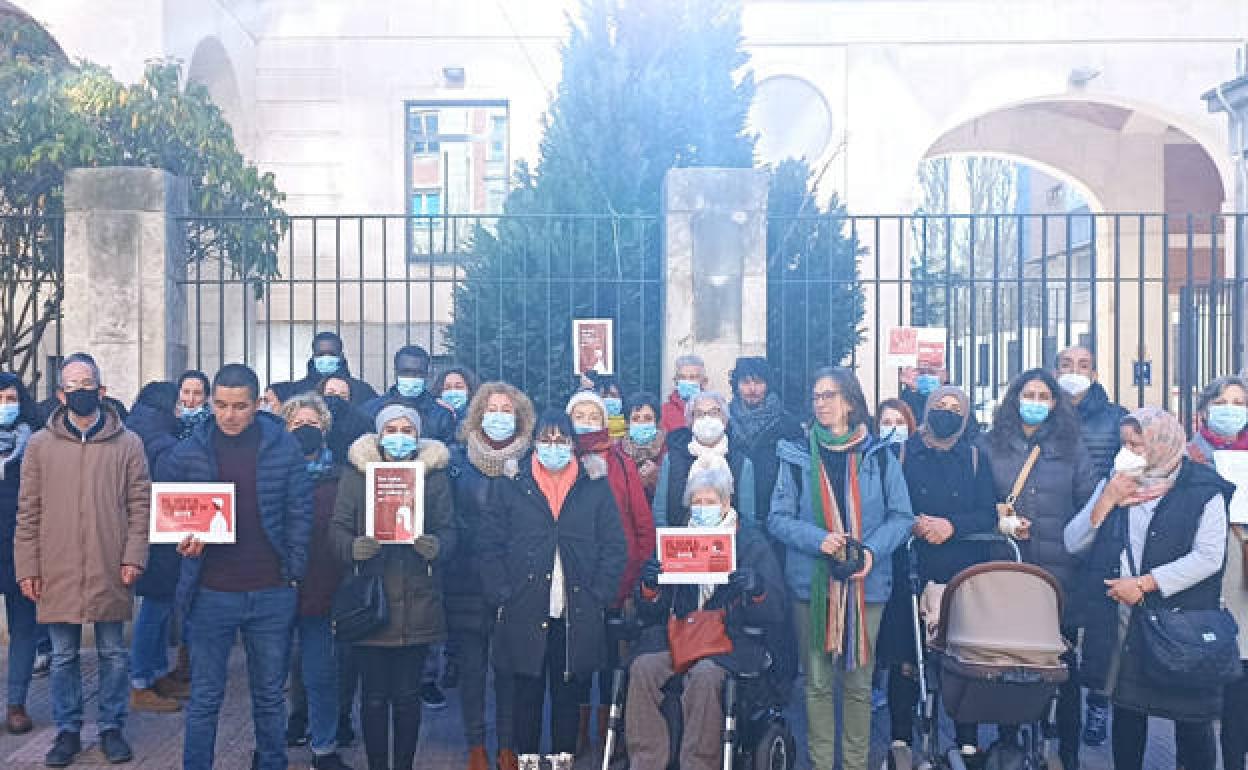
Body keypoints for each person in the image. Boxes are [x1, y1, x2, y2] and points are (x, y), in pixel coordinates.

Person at [157, 363, 313, 770]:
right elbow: (168, 511)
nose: (229, 415)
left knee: (269, 697)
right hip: (212, 593)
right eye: (221, 405)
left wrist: (292, 572)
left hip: (271, 591)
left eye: (240, 406)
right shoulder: (189, 450)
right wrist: (183, 542)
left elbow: (301, 511)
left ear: (257, 403)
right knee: (206, 697)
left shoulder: (284, 446)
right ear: (211, 403)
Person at [1065, 407, 1230, 770]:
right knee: (1128, 713)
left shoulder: (1202, 488)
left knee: (1192, 720)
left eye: (1136, 444)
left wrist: (1145, 584)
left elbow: (1208, 557)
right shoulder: (1116, 482)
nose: (1128, 453)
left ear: (1161, 443)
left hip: (1183, 623)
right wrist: (1106, 499)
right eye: (1123, 444)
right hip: (1125, 622)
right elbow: (1073, 541)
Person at [768, 366, 914, 770]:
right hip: (810, 586)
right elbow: (777, 518)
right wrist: (819, 540)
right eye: (816, 396)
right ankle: (820, 762)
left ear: (850, 401)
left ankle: (853, 764)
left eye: (830, 395)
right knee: (815, 684)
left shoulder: (881, 455)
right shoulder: (795, 455)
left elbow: (902, 517)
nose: (821, 403)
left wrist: (868, 552)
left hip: (867, 585)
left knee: (858, 685)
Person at [15, 354, 151, 766]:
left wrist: (134, 557)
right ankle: (68, 730)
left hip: (111, 563)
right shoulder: (40, 445)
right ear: (60, 394)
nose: (80, 391)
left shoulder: (128, 443)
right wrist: (28, 567)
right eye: (72, 385)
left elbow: (140, 505)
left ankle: (111, 727)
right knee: (62, 655)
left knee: (113, 653)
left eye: (87, 382)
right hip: (56, 566)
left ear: (102, 389)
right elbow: (28, 510)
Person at [479, 409, 627, 758]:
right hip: (524, 606)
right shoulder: (512, 485)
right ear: (534, 443)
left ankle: (564, 759)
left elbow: (614, 545)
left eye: (561, 440)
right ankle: (527, 758)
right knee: (526, 693)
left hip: (575, 607)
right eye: (546, 439)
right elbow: (489, 544)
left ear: (574, 445)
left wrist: (600, 594)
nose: (553, 446)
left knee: (568, 695)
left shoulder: (594, 486)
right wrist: (502, 592)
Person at [976, 368, 1097, 770]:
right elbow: (976, 503)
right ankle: (1009, 744)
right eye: (1029, 393)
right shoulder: (990, 445)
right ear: (1014, 399)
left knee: (1063, 668)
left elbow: (1088, 506)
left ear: (1055, 403)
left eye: (1044, 395)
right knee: (1010, 663)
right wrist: (1000, 519)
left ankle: (1068, 752)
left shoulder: (1072, 447)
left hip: (1059, 575)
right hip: (1008, 568)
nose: (1036, 401)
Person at [627, 465, 785, 770]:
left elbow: (775, 609)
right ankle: (647, 761)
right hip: (681, 634)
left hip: (731, 638)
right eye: (696, 503)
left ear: (726, 503)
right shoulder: (675, 542)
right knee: (642, 668)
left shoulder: (751, 543)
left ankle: (699, 763)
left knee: (706, 675)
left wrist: (756, 589)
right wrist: (649, 587)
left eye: (710, 501)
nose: (702, 509)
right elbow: (652, 609)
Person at [330, 404, 456, 770]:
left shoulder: (433, 476)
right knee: (372, 697)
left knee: (407, 697)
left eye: (407, 430)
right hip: (372, 601)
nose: (399, 436)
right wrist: (352, 548)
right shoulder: (356, 474)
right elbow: (337, 528)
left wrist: (438, 546)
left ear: (418, 437)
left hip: (418, 600)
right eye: (392, 429)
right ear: (380, 433)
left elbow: (451, 530)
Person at [877, 386, 996, 762]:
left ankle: (966, 739)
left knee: (961, 656)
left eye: (953, 407)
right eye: (939, 406)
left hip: (959, 568)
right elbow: (885, 503)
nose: (946, 412)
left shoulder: (975, 457)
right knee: (905, 657)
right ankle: (900, 739)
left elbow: (987, 513)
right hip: (910, 565)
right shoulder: (902, 452)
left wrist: (952, 526)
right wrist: (912, 523)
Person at [445, 382, 534, 770]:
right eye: (492, 408)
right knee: (472, 667)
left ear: (520, 418)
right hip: (465, 578)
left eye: (507, 409)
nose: (499, 416)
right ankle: (476, 745)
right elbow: (447, 516)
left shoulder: (531, 462)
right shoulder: (456, 462)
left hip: (514, 580)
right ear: (479, 413)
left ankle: (507, 745)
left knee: (508, 667)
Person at [565, 390, 655, 754]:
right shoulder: (563, 459)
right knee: (575, 663)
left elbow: (642, 525)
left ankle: (608, 734)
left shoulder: (621, 462)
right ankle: (575, 732)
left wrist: (634, 576)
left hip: (618, 580)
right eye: (579, 414)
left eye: (593, 415)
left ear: (605, 421)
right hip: (571, 582)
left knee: (609, 662)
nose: (586, 421)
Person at [1053, 345, 1127, 746]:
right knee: (1059, 621)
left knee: (1100, 626)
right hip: (1053, 526)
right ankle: (1057, 703)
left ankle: (1099, 702)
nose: (1074, 372)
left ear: (1095, 373)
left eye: (1082, 366)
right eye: (1066, 365)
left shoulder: (1115, 418)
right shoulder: (1046, 413)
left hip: (1102, 529)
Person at [280, 394, 351, 770]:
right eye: (297, 424)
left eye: (313, 424)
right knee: (270, 675)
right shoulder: (272, 471)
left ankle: (324, 748)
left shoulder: (340, 477)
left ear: (324, 429)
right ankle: (270, 743)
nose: (305, 430)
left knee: (321, 673)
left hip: (322, 590)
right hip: (275, 589)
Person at [1185, 376, 1248, 770]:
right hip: (1204, 573)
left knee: (1242, 673)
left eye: (1239, 402)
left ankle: (1235, 757)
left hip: (1243, 573)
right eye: (1223, 401)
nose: (1231, 408)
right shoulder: (1190, 455)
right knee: (1204, 678)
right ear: (1206, 409)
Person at [125, 382, 188, 714]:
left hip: (145, 532)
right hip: (160, 533)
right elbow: (171, 488)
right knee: (156, 607)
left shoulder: (136, 428)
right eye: (178, 403)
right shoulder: (161, 440)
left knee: (158, 606)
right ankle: (141, 681)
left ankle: (154, 673)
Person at [0, 373, 42, 734]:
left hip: (22, 544)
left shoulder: (37, 441)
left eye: (11, 398)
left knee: (23, 628)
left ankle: (16, 703)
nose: (6, 405)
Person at [653, 390, 756, 527]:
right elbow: (660, 512)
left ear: (725, 420)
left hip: (728, 543)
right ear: (690, 422)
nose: (707, 419)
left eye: (714, 413)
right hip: (680, 543)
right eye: (699, 414)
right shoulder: (671, 459)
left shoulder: (742, 463)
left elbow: (747, 518)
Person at [727, 357, 804, 532]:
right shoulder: (725, 422)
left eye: (759, 382)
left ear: (768, 385)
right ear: (736, 386)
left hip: (776, 517)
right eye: (745, 382)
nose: (752, 389)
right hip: (732, 517)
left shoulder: (788, 425)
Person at [362, 345, 457, 445]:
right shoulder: (370, 410)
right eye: (406, 372)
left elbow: (449, 453)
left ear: (427, 375)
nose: (411, 377)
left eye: (418, 373)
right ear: (396, 372)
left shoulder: (442, 415)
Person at [292, 331, 379, 407]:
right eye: (321, 354)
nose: (326, 358)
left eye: (332, 354)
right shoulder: (297, 391)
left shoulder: (362, 390)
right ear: (313, 357)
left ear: (341, 356)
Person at [1187, 374, 1248, 464]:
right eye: (1220, 403)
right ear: (1204, 412)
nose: (1229, 409)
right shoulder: (1190, 455)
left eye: (1238, 403)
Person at [617, 392, 666, 501]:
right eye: (635, 418)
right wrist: (635, 481)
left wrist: (657, 478)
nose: (641, 423)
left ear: (657, 422)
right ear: (628, 423)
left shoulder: (668, 450)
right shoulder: (617, 452)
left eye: (648, 418)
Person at [661, 355, 709, 434]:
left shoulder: (713, 409)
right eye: (682, 377)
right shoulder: (665, 411)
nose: (687, 381)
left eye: (693, 377)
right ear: (676, 381)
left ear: (704, 382)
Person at [589, 373, 627, 440]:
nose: (609, 399)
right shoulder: (589, 426)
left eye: (614, 396)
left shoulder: (630, 426)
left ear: (621, 399)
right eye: (604, 396)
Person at [176, 370, 213, 440]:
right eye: (186, 392)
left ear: (206, 397)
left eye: (197, 393)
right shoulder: (169, 422)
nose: (191, 399)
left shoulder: (212, 426)